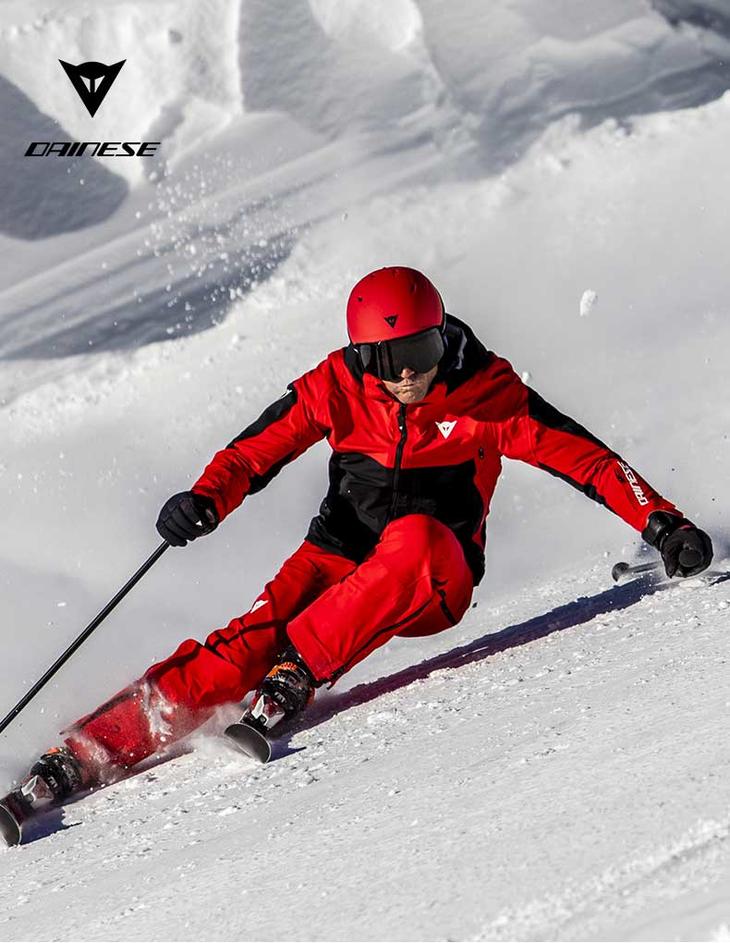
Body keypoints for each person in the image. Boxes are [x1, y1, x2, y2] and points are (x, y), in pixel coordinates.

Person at [3, 266, 713, 827]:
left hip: (434, 573)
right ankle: (80, 754)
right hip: (337, 555)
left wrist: (665, 523)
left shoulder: (486, 394)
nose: (407, 373)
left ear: (443, 337)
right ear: (361, 355)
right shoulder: (338, 385)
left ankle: (295, 675)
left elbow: (588, 460)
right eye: (388, 357)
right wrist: (206, 497)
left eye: (421, 351)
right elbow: (257, 449)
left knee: (414, 538)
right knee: (240, 649)